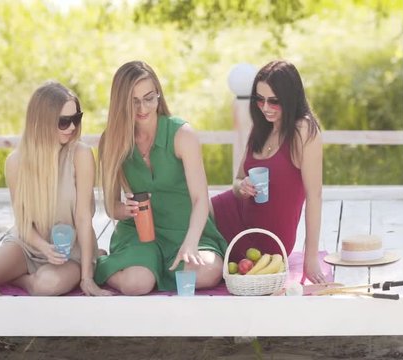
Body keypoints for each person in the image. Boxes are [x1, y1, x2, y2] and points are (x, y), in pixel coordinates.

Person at [94, 61, 227, 295]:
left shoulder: (181, 134)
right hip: (141, 235)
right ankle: (101, 263)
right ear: (120, 102)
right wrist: (127, 210)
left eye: (149, 98)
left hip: (185, 229)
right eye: (133, 101)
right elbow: (111, 206)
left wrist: (191, 241)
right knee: (137, 284)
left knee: (209, 271)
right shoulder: (112, 141)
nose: (143, 108)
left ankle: (154, 272)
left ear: (158, 95)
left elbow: (200, 199)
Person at [0, 82, 111, 296]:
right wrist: (43, 247)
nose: (72, 127)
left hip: (70, 253)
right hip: (28, 245)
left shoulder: (81, 155)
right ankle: (20, 272)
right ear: (42, 122)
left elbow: (83, 219)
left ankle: (20, 280)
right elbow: (23, 221)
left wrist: (87, 277)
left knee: (46, 286)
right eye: (64, 122)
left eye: (76, 119)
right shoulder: (15, 162)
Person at [211, 60, 326, 284]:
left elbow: (315, 197)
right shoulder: (262, 127)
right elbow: (237, 180)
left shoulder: (303, 131)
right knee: (189, 212)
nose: (265, 108)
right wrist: (241, 187)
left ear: (290, 98)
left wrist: (310, 259)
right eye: (259, 99)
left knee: (204, 252)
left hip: (268, 238)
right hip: (235, 211)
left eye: (274, 101)